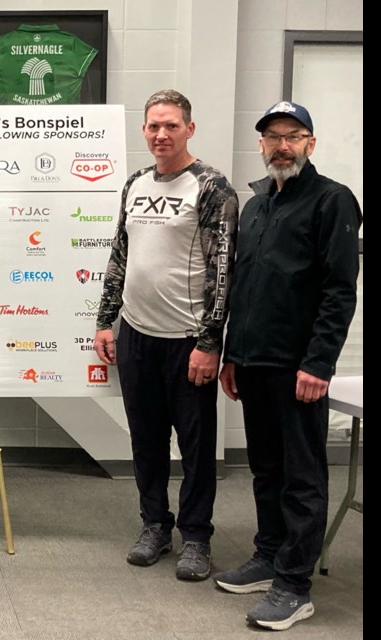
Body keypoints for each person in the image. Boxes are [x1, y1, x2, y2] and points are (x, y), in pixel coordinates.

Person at [215, 102, 361, 631]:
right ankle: (269, 555)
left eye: (293, 136)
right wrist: (233, 354)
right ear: (261, 144)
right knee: (266, 469)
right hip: (253, 362)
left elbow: (338, 293)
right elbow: (243, 288)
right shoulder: (255, 206)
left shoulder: (333, 201)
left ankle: (295, 584)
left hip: (299, 367)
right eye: (273, 136)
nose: (282, 145)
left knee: (301, 476)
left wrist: (319, 363)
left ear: (310, 144)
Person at [95, 89, 239, 581]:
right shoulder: (135, 183)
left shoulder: (213, 187)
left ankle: (197, 537)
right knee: (147, 440)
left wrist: (209, 342)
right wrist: (104, 320)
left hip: (187, 341)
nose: (162, 134)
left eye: (172, 126)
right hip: (137, 334)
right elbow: (120, 255)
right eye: (154, 126)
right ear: (144, 130)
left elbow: (223, 272)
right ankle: (155, 524)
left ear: (189, 129)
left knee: (196, 447)